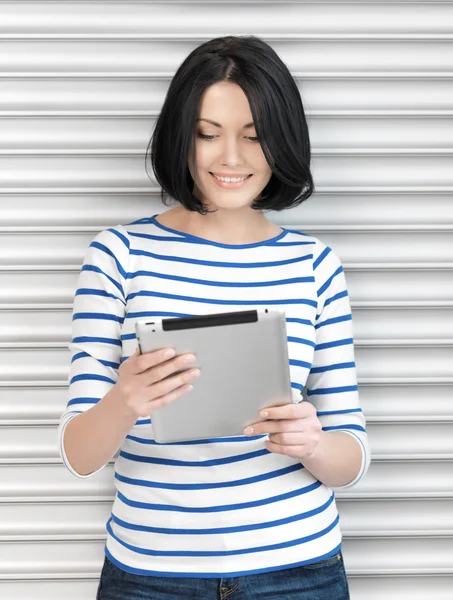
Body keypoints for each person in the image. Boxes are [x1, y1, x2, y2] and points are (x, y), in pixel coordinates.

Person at [58, 35, 370, 600]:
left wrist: (314, 444)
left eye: (254, 137)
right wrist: (124, 401)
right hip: (150, 573)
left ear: (282, 143)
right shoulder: (118, 256)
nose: (231, 158)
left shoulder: (315, 265)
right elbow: (79, 454)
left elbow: (351, 456)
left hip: (299, 569)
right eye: (209, 134)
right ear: (182, 137)